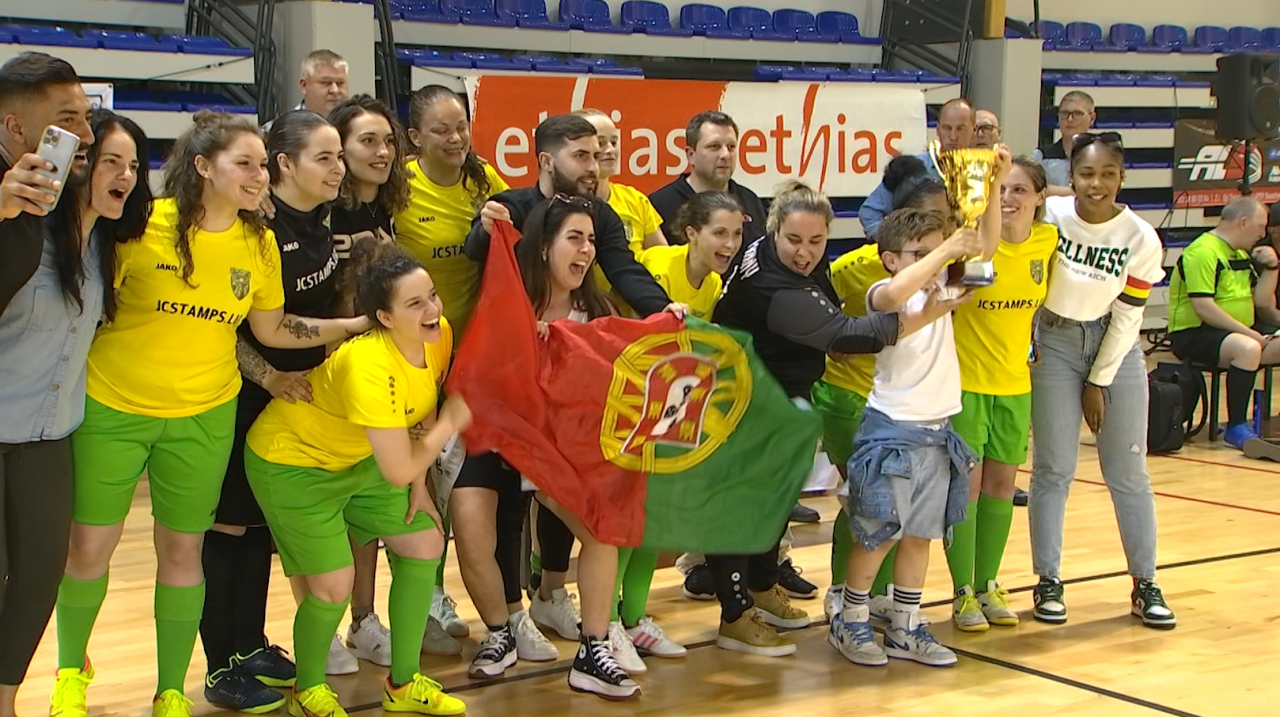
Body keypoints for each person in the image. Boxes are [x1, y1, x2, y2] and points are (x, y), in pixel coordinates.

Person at [51, 111, 370, 717]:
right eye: (244, 164)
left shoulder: (258, 243)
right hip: (112, 409)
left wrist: (355, 324)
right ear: (202, 166)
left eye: (261, 164)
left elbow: (273, 326)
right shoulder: (140, 228)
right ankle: (71, 673)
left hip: (203, 415)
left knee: (181, 552)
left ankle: (171, 687)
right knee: (88, 551)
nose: (259, 176)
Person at [711, 181, 947, 657]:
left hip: (783, 394)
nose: (805, 253)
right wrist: (928, 313)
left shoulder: (769, 251)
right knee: (741, 511)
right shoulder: (773, 287)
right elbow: (849, 335)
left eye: (816, 242)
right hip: (746, 399)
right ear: (775, 229)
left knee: (773, 505)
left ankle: (760, 586)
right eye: (794, 241)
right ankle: (734, 616)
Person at [244, 240, 468, 717]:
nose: (432, 309)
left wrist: (418, 487)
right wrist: (451, 423)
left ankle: (404, 685)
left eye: (432, 295)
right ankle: (308, 690)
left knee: (424, 542)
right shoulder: (369, 365)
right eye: (415, 303)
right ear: (383, 318)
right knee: (332, 585)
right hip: (293, 461)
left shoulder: (438, 333)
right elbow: (408, 453)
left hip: (357, 461)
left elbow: (419, 420)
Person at [0, 108, 147, 717]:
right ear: (77, 165)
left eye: (135, 165)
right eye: (110, 161)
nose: (126, 175)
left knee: (37, 581)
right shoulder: (24, 233)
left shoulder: (107, 250)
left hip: (50, 435)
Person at [198, 110, 345, 713]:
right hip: (242, 391)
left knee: (258, 522)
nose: (339, 168)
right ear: (287, 165)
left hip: (295, 397)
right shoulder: (257, 228)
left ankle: (251, 643)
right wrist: (270, 374)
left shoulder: (320, 222)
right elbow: (233, 325)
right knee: (226, 523)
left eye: (339, 156)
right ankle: (218, 663)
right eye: (325, 158)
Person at [830, 202, 995, 669]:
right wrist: (944, 248)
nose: (933, 260)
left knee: (920, 535)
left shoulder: (942, 287)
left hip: (937, 432)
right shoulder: (886, 291)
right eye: (919, 252)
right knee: (877, 535)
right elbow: (891, 299)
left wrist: (995, 187)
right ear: (891, 258)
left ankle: (905, 624)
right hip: (891, 432)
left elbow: (987, 252)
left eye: (935, 252)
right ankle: (852, 618)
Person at [1029, 132, 1175, 630]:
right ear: (1070, 178)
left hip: (1117, 347)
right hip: (1055, 341)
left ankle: (1145, 582)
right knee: (1053, 470)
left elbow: (1130, 317)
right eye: (1087, 174)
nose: (1097, 184)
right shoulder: (1051, 218)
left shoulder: (1140, 237)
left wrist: (1099, 379)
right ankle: (1047, 580)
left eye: (1108, 174)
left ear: (1121, 178)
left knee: (1129, 473)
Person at [510, 195, 645, 699]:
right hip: (524, 449)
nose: (586, 250)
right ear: (544, 247)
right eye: (575, 238)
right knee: (603, 532)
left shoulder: (597, 310)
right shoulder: (515, 303)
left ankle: (595, 645)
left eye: (591, 240)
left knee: (610, 530)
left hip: (580, 451)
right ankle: (590, 645)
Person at [815, 154, 952, 623]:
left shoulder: (942, 280)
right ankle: (844, 598)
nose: (945, 240)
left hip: (927, 420)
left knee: (913, 526)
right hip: (860, 401)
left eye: (948, 228)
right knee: (869, 512)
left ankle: (899, 610)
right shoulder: (863, 271)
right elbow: (866, 309)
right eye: (933, 234)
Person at [945, 156, 1057, 632]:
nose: (1008, 198)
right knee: (965, 491)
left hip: (1016, 386)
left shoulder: (1049, 242)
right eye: (1001, 189)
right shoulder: (976, 248)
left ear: (1038, 198)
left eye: (1018, 190)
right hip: (967, 385)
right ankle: (962, 593)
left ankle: (989, 584)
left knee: (1000, 489)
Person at [465, 113, 673, 318]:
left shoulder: (601, 214)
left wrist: (663, 309)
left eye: (596, 157)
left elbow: (625, 270)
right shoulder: (512, 207)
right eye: (581, 156)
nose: (593, 168)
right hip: (514, 331)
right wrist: (486, 229)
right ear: (546, 162)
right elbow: (473, 250)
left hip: (576, 333)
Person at [1166, 196, 1280, 455]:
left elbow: (1261, 301)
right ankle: (1236, 425)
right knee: (1248, 348)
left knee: (1251, 346)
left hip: (1238, 334)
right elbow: (1204, 308)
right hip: (1195, 334)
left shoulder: (1239, 254)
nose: (1263, 234)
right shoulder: (1203, 252)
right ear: (1243, 222)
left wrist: (1273, 267)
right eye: (1261, 226)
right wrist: (1251, 334)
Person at [397, 85, 509, 335]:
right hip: (418, 339)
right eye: (441, 131)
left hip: (475, 340)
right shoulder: (399, 185)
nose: (456, 139)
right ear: (415, 137)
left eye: (461, 127)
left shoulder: (484, 178)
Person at [0, 52, 94, 315]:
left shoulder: (39, 181)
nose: (88, 135)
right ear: (16, 128)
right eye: (67, 120)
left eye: (87, 117)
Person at [858, 98, 975, 237]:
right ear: (937, 130)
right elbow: (869, 212)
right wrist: (894, 244)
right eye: (947, 128)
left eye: (961, 128)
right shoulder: (911, 169)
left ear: (974, 129)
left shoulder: (985, 173)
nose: (953, 136)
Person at [648, 111, 767, 246]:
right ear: (691, 155)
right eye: (714, 147)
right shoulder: (660, 205)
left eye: (731, 147)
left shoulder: (750, 200)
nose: (725, 155)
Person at [574, 109, 666, 255]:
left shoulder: (636, 200)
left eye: (614, 142)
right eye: (600, 143)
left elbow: (663, 260)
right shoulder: (562, 205)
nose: (610, 149)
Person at [264, 50, 350, 130]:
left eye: (340, 83)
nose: (335, 90)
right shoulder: (278, 130)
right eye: (325, 83)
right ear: (304, 85)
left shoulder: (357, 129)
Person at [1036, 90, 1095, 193]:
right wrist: (1079, 193)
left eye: (1077, 113)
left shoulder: (1101, 155)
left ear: (1092, 118)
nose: (1070, 119)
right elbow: (1036, 191)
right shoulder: (1041, 155)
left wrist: (1053, 190)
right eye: (1065, 113)